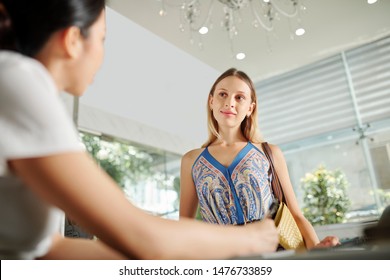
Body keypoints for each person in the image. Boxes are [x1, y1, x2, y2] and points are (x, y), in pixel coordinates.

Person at [0, 0, 279, 260]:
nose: (103, 52)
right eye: (102, 38)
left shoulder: (23, 88)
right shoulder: (16, 80)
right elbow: (141, 234)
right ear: (73, 41)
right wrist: (249, 239)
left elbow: (49, 248)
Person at [180, 68, 339, 250]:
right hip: (219, 256)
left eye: (239, 97)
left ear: (250, 108)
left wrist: (316, 248)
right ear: (211, 101)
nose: (229, 103)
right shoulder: (191, 161)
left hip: (271, 253)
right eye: (222, 94)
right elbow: (185, 228)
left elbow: (295, 214)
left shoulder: (269, 152)